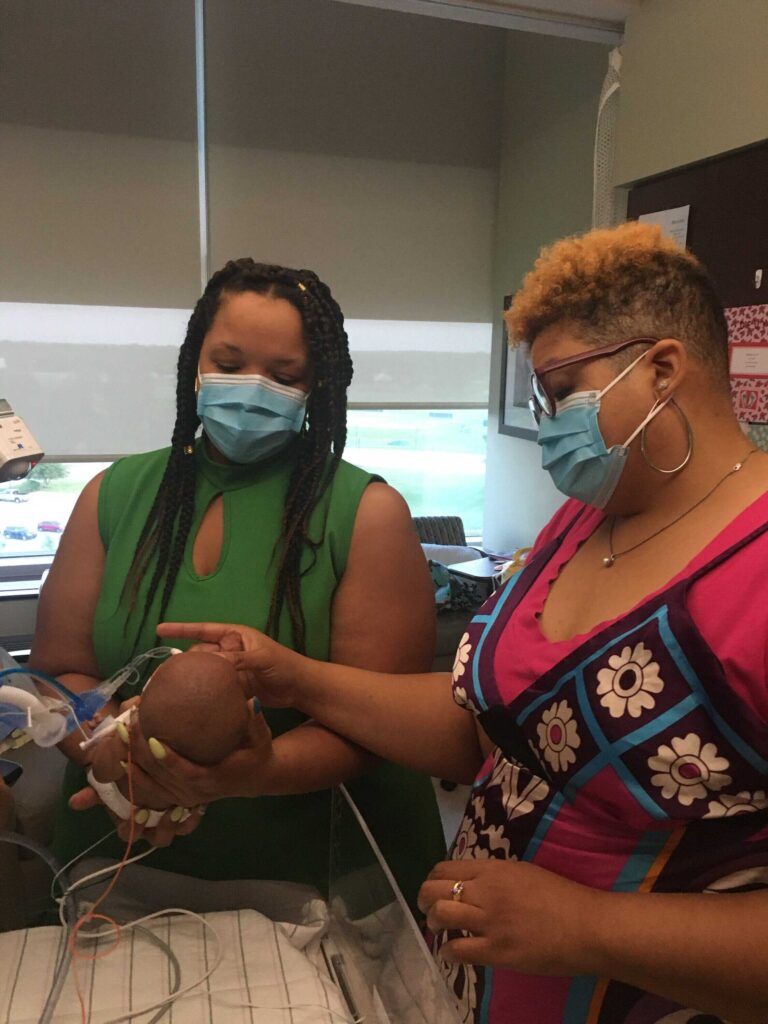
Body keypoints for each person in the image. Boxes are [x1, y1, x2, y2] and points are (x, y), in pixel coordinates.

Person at [154, 224, 768, 1023]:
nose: (548, 421)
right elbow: (488, 729)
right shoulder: (583, 523)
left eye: (562, 389)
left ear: (661, 369)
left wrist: (589, 928)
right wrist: (294, 676)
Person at [29, 258, 445, 910]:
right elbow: (59, 670)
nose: (251, 389)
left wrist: (249, 775)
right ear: (194, 362)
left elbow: (379, 722)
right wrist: (113, 755)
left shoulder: (364, 513)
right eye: (227, 363)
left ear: (318, 389)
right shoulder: (111, 496)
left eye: (284, 377)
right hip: (123, 856)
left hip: (321, 873)